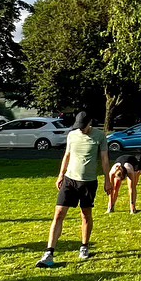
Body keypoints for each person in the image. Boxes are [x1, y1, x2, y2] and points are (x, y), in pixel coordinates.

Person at [37, 112, 102, 268]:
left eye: (83, 126)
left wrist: (108, 180)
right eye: (78, 126)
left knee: (85, 214)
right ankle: (49, 253)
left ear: (90, 123)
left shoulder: (99, 135)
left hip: (88, 182)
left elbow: (105, 158)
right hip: (69, 180)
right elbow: (67, 155)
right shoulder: (72, 135)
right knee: (59, 213)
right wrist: (61, 174)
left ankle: (84, 246)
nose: (80, 129)